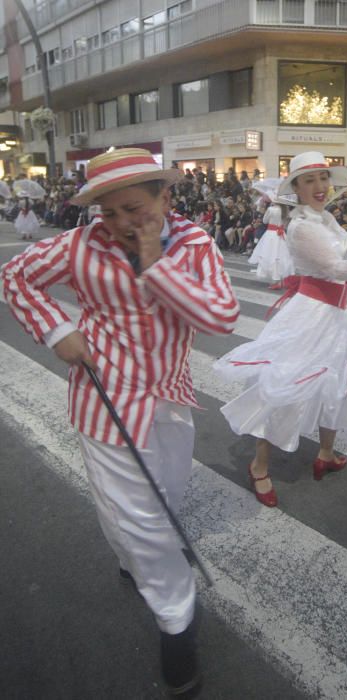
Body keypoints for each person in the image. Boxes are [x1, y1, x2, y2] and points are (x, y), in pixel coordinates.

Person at [1, 148, 240, 694]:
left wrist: (155, 260)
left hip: (172, 397)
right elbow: (15, 277)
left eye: (134, 208)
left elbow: (221, 317)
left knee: (164, 496)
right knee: (140, 513)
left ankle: (135, 562)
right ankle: (177, 619)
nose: (121, 223)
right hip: (105, 398)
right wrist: (58, 331)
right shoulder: (82, 245)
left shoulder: (195, 245)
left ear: (166, 197)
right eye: (109, 213)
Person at [213, 151, 347, 507]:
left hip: (333, 312)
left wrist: (346, 299)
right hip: (309, 318)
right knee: (283, 386)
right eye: (309, 180)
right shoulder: (301, 225)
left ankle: (326, 453)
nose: (319, 186)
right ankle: (259, 465)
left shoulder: (324, 217)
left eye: (323, 178)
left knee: (338, 383)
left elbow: (332, 274)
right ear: (295, 187)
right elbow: (335, 268)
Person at [248, 197, 294, 283]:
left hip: (271, 233)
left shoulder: (271, 209)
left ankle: (266, 271)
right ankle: (277, 273)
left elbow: (265, 221)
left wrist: (264, 212)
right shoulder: (285, 210)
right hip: (280, 233)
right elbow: (286, 223)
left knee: (268, 252)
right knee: (279, 253)